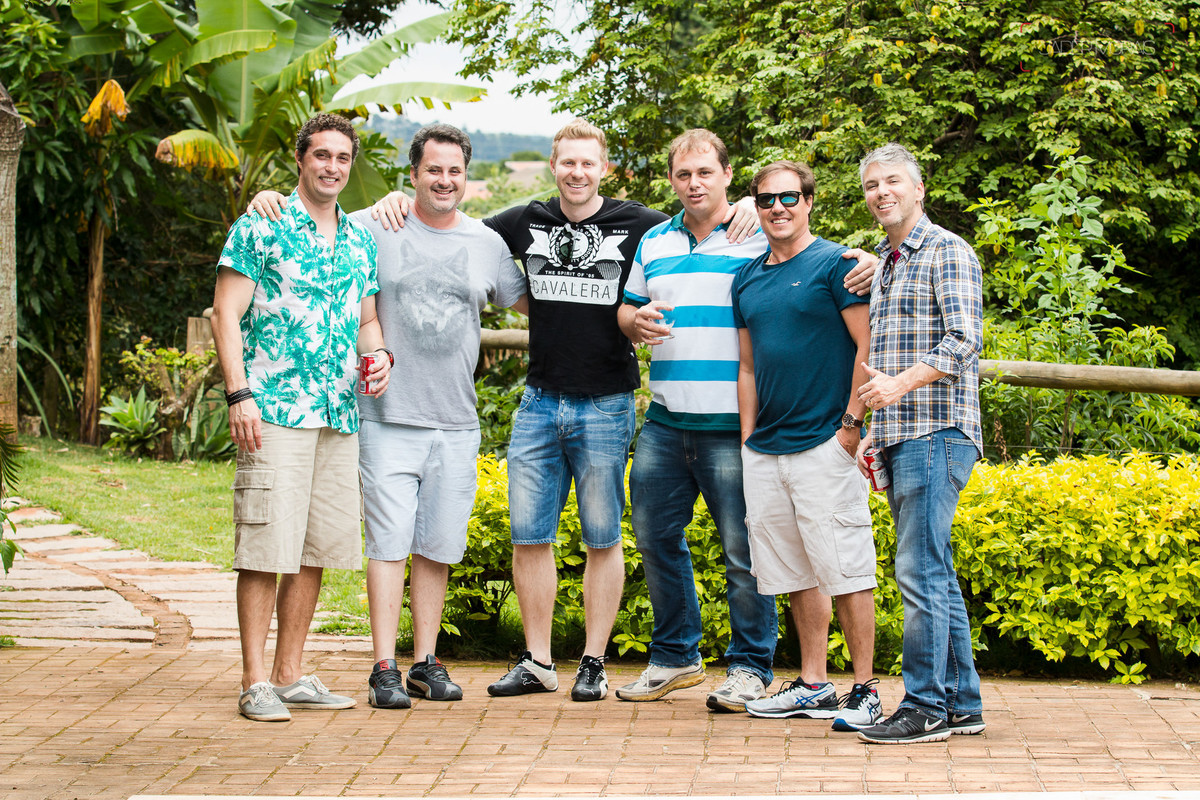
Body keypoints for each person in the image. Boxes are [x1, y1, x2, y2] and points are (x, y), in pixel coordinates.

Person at [368, 119, 757, 702]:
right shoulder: (523, 221)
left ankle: (593, 663)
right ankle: (538, 662)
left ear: (605, 169)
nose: (577, 172)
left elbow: (697, 214)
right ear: (553, 166)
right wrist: (394, 202)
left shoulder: (643, 225)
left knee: (603, 537)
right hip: (538, 400)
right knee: (530, 536)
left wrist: (744, 206)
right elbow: (452, 223)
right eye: (567, 162)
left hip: (607, 401)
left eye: (588, 163)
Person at [249, 124, 528, 708]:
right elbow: (318, 216)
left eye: (454, 171)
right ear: (414, 174)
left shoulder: (487, 244)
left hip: (457, 419)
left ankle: (426, 662)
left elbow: (535, 304)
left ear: (467, 176)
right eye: (433, 170)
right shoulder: (375, 226)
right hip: (385, 415)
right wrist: (265, 199)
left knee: (438, 546)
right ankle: (384, 667)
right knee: (388, 544)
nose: (444, 180)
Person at [212, 112, 391, 722]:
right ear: (300, 159)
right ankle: (254, 680)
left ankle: (289, 674)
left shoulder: (360, 240)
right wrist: (239, 394)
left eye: (342, 158)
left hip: (338, 413)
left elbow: (367, 318)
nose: (332, 167)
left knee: (315, 549)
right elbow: (225, 313)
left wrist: (379, 356)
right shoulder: (261, 224)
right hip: (273, 409)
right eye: (322, 155)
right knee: (267, 546)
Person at [614, 130, 785, 712]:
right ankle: (675, 657)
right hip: (665, 421)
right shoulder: (655, 240)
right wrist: (633, 323)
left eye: (705, 173)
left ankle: (750, 667)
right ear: (671, 180)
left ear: (727, 175)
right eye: (683, 175)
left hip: (734, 426)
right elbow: (628, 308)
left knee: (744, 551)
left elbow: (813, 252)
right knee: (656, 540)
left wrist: (864, 259)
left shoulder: (758, 232)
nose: (694, 184)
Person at [731, 160, 880, 731]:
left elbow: (867, 345)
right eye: (767, 199)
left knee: (846, 568)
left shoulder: (838, 265)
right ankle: (814, 684)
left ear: (809, 201)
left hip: (825, 442)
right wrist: (748, 439)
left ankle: (865, 690)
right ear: (756, 206)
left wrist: (850, 425)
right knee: (795, 572)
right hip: (766, 449)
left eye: (789, 197)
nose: (778, 208)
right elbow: (747, 365)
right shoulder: (746, 279)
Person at [852, 142, 986, 744]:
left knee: (919, 570)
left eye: (893, 182)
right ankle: (961, 705)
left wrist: (897, 387)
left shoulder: (946, 250)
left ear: (918, 188)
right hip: (902, 434)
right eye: (872, 185)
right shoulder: (887, 261)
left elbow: (964, 341)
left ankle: (924, 706)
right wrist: (873, 432)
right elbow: (885, 353)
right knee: (935, 570)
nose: (882, 192)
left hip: (937, 430)